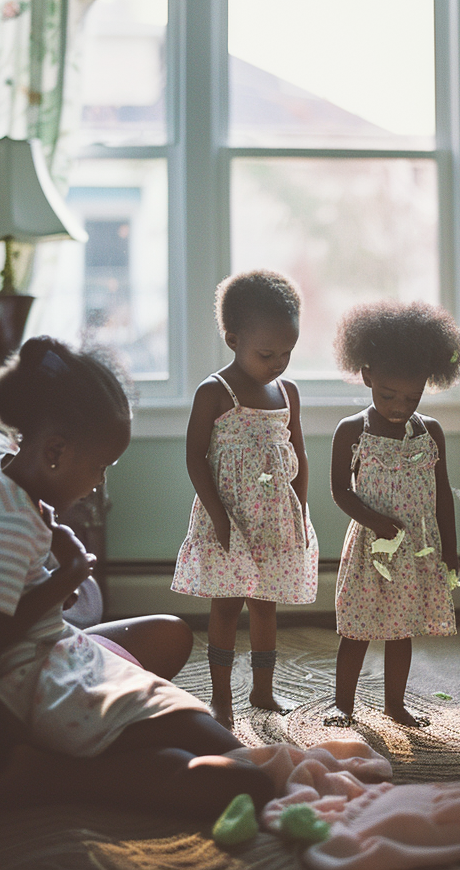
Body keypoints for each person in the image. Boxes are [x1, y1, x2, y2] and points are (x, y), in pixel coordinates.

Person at [0, 336, 274, 818]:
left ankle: (106, 747)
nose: (98, 483)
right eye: (100, 467)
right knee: (242, 779)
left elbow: (5, 591)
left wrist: (52, 561)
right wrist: (66, 578)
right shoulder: (5, 520)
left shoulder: (2, 481)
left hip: (44, 650)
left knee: (171, 636)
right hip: (20, 682)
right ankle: (54, 777)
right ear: (55, 453)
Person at [172, 269, 318, 729]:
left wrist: (301, 508)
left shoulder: (287, 393)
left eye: (287, 353)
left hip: (274, 521)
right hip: (229, 520)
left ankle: (263, 690)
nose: (278, 363)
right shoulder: (215, 392)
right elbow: (195, 459)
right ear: (233, 339)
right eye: (266, 353)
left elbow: (299, 455)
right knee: (226, 606)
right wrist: (217, 517)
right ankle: (221, 699)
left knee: (265, 604)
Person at [324, 300, 460, 728]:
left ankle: (394, 705)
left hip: (416, 550)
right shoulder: (352, 431)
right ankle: (342, 705)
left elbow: (442, 495)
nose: (400, 405)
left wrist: (450, 552)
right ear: (367, 376)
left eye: (412, 396)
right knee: (357, 630)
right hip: (372, 550)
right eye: (388, 395)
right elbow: (339, 491)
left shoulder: (429, 431)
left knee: (401, 631)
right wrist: (374, 521)